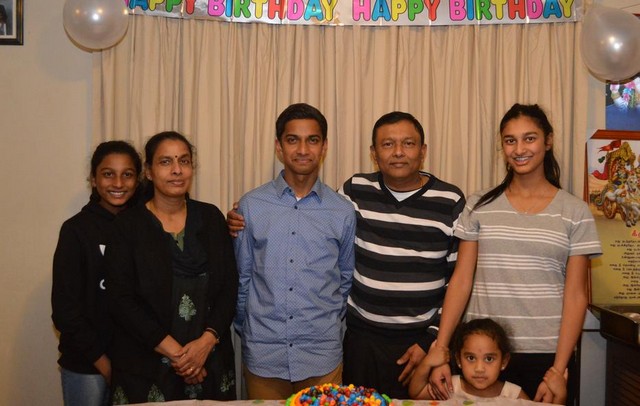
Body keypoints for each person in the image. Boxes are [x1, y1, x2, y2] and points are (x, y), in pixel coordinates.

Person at [228, 111, 465, 399]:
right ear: (374, 153)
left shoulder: (449, 200)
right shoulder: (352, 192)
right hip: (346, 344)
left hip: (406, 345)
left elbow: (457, 281)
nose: (398, 152)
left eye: (408, 143)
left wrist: (434, 342)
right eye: (388, 144)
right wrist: (238, 219)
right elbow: (243, 277)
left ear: (423, 150)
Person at [427, 104, 602, 404]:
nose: (519, 149)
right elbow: (461, 281)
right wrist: (441, 350)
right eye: (510, 140)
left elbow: (576, 296)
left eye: (529, 138)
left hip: (546, 356)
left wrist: (559, 369)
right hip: (481, 354)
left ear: (548, 141)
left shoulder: (575, 211)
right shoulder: (479, 205)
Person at [233, 103, 356, 399]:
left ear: (324, 147)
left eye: (312, 140)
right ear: (279, 147)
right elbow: (243, 277)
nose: (303, 149)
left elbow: (345, 279)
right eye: (293, 140)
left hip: (321, 353)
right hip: (264, 353)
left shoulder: (342, 211)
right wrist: (250, 329)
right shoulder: (251, 205)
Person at [105, 131, 238, 403]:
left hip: (210, 360)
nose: (177, 170)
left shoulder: (211, 218)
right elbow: (121, 300)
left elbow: (229, 287)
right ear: (149, 172)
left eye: (184, 161)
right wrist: (182, 357)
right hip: (146, 366)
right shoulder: (127, 226)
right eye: (166, 162)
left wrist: (204, 345)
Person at [52, 140, 142, 406]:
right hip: (87, 364)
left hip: (136, 363)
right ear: (93, 179)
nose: (118, 183)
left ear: (138, 180)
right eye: (108, 174)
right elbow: (65, 310)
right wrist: (103, 363)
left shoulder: (144, 227)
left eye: (127, 174)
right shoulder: (76, 230)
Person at [409, 318, 533, 401]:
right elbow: (417, 393)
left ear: (504, 362)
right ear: (458, 360)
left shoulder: (513, 394)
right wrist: (426, 363)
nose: (479, 368)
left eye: (489, 359)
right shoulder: (451, 387)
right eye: (471, 358)